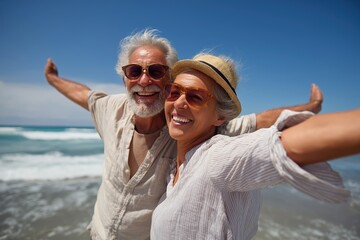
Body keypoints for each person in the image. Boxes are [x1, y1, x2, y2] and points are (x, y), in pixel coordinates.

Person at [44, 29, 324, 240]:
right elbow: (84, 96)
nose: (144, 80)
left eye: (155, 71)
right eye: (134, 71)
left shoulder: (191, 127)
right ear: (124, 78)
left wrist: (309, 108)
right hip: (99, 232)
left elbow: (259, 122)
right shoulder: (111, 108)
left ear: (168, 80)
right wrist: (54, 79)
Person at [150, 53, 360, 240]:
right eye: (174, 92)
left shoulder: (217, 158)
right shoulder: (176, 169)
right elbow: (260, 119)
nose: (178, 103)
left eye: (195, 97)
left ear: (220, 116)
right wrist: (310, 106)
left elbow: (287, 144)